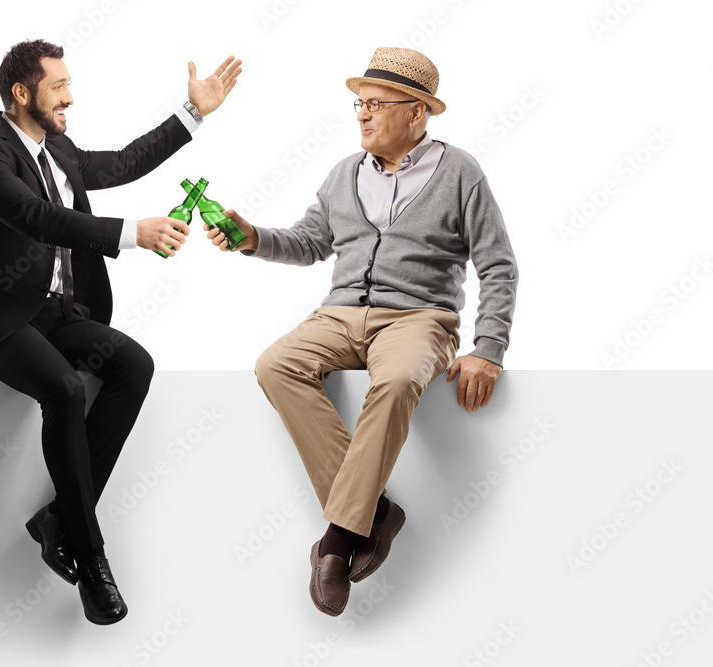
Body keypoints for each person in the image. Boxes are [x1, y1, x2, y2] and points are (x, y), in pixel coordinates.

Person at [204, 47, 517, 616]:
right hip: (341, 313)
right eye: (359, 104)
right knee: (276, 364)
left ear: (417, 112)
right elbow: (309, 243)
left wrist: (487, 348)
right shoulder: (344, 172)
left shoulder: (460, 172)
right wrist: (252, 237)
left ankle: (338, 541)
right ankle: (374, 515)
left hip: (420, 316)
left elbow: (497, 265)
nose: (362, 115)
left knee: (396, 381)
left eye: (375, 104)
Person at [0, 39, 241, 625]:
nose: (70, 97)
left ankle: (59, 518)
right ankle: (90, 558)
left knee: (133, 366)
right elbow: (37, 217)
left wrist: (193, 113)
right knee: (63, 388)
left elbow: (124, 163)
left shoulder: (58, 147)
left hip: (60, 315)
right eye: (59, 87)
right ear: (22, 92)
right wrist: (132, 233)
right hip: (1, 321)